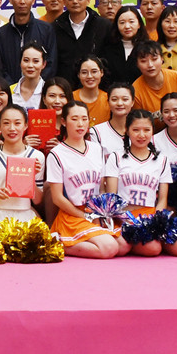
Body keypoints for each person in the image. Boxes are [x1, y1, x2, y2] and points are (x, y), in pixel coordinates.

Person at [43, 101, 126, 258]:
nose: (80, 124)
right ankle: (58, 243)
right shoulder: (57, 154)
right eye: (74, 119)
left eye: (84, 119)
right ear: (63, 122)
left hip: (95, 212)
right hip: (72, 215)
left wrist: (102, 214)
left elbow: (101, 188)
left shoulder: (96, 149)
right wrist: (85, 216)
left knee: (123, 246)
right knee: (109, 248)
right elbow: (57, 198)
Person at [113, 109, 177, 257]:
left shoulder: (161, 160)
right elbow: (111, 197)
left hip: (151, 215)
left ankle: (145, 242)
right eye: (136, 130)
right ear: (127, 130)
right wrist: (125, 219)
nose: (141, 135)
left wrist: (155, 222)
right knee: (152, 248)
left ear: (153, 131)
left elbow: (162, 199)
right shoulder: (116, 157)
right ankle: (133, 243)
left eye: (146, 130)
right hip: (125, 217)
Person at [0, 105, 45, 225]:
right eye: (6, 123)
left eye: (17, 123)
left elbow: (37, 200)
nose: (12, 128)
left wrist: (30, 178)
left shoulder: (36, 156)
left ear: (25, 125)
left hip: (25, 215)